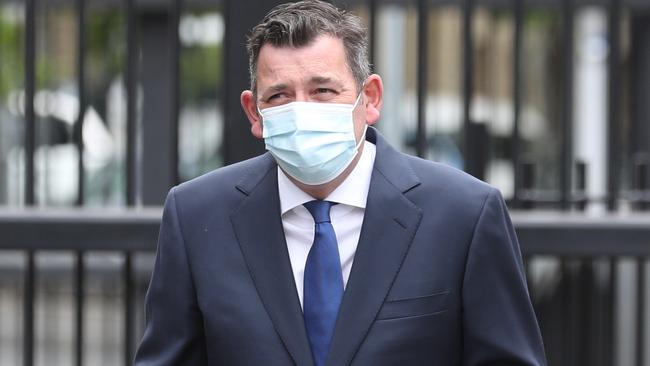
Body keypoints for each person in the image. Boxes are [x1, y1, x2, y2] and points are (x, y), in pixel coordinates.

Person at [134, 1, 546, 365]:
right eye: (279, 96)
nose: (301, 109)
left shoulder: (465, 215)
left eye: (323, 90)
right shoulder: (196, 216)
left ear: (370, 98)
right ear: (253, 112)